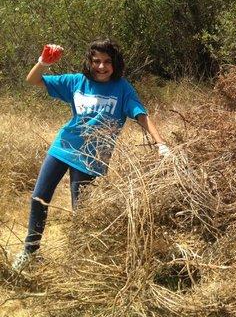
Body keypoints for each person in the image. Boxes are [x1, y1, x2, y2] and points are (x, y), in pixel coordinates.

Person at [12, 39, 170, 272]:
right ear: (89, 62)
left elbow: (141, 114)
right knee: (39, 197)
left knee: (82, 210)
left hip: (92, 156)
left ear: (115, 63)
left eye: (107, 61)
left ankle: (76, 259)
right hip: (64, 146)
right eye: (96, 61)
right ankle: (30, 251)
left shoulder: (122, 88)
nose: (102, 67)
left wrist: (161, 144)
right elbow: (33, 80)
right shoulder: (77, 81)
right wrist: (43, 62)